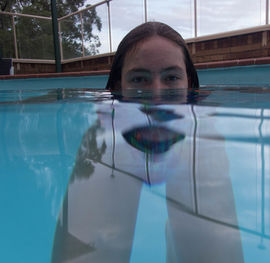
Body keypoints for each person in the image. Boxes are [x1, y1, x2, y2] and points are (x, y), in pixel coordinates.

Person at [52, 22, 243, 263]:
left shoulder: (202, 124)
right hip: (120, 138)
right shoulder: (105, 126)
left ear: (190, 84)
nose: (157, 96)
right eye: (140, 79)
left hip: (187, 136)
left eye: (171, 77)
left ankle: (178, 234)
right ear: (118, 86)